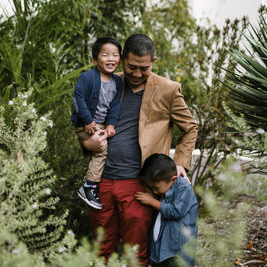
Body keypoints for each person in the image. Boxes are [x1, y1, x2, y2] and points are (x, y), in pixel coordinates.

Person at [83, 33, 197, 266]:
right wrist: (87, 144)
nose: (136, 74)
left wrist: (180, 162)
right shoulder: (109, 83)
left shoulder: (168, 89)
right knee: (101, 247)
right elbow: (87, 124)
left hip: (137, 183)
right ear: (123, 59)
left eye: (143, 68)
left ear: (154, 62)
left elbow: (190, 128)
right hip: (100, 182)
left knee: (134, 251)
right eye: (131, 67)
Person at [71, 37, 123, 210]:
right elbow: (78, 99)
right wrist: (87, 120)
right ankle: (89, 186)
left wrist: (111, 125)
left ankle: (93, 185)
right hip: (85, 122)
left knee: (105, 147)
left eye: (115, 55)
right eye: (105, 54)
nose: (110, 59)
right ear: (94, 59)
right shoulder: (87, 77)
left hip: (100, 124)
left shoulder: (117, 82)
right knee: (101, 150)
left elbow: (115, 105)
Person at [135, 153, 198, 267]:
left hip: (178, 248)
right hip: (163, 246)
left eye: (156, 188)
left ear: (173, 179)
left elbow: (176, 211)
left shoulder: (183, 187)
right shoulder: (165, 187)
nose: (154, 192)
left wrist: (151, 201)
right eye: (151, 188)